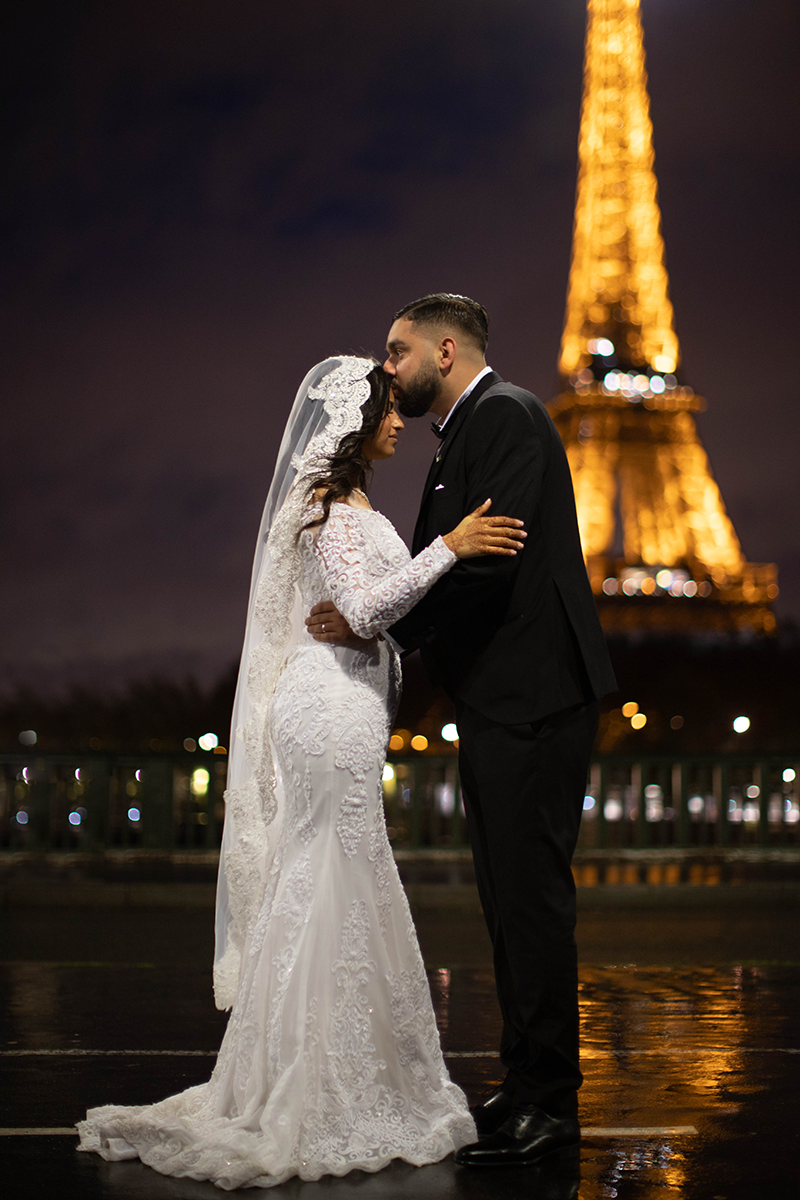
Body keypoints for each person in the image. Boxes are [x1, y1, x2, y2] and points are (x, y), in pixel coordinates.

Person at [77, 354, 527, 1188]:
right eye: (387, 412)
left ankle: (297, 1070)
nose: (399, 423)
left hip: (321, 703)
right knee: (337, 871)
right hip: (330, 709)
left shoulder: (323, 503)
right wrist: (451, 549)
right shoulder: (339, 508)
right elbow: (362, 611)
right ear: (355, 422)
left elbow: (355, 618)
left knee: (319, 874)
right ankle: (323, 1082)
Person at [308, 297, 618, 1168]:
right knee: (509, 903)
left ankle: (551, 1103)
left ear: (445, 350)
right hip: (507, 697)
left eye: (397, 351)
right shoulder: (470, 430)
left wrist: (386, 629)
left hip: (532, 697)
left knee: (530, 904)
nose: (388, 367)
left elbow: (491, 560)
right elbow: (458, 561)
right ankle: (527, 1085)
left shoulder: (507, 416)